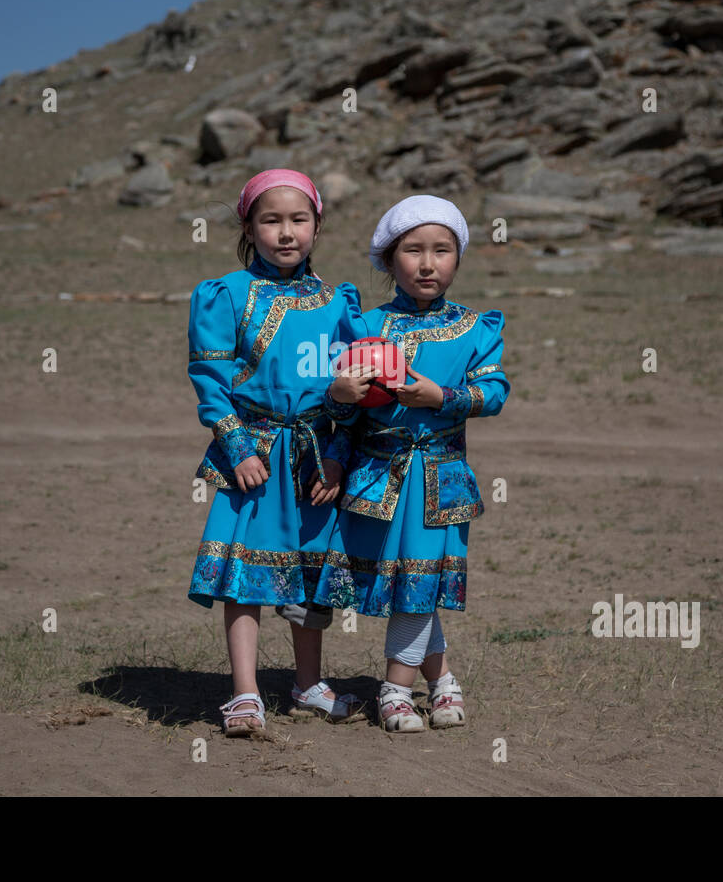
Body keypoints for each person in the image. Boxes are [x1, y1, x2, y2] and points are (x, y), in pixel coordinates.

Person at [313, 194, 510, 732]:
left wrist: (442, 397)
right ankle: (442, 680)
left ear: (458, 259)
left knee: (419, 580)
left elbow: (494, 393)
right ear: (388, 259)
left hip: (440, 481)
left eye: (442, 251)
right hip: (376, 480)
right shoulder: (362, 325)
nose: (428, 263)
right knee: (409, 583)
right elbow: (340, 414)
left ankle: (394, 690)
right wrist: (337, 412)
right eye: (414, 250)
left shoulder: (476, 329)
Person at [186, 169, 365, 737]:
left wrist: (337, 454)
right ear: (249, 226)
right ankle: (244, 694)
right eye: (271, 220)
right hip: (255, 456)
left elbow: (352, 390)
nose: (286, 233)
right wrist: (236, 448)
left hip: (318, 458)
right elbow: (211, 382)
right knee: (245, 575)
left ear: (317, 224)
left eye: (298, 220)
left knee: (312, 573)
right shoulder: (225, 295)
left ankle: (307, 683)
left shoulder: (340, 303)